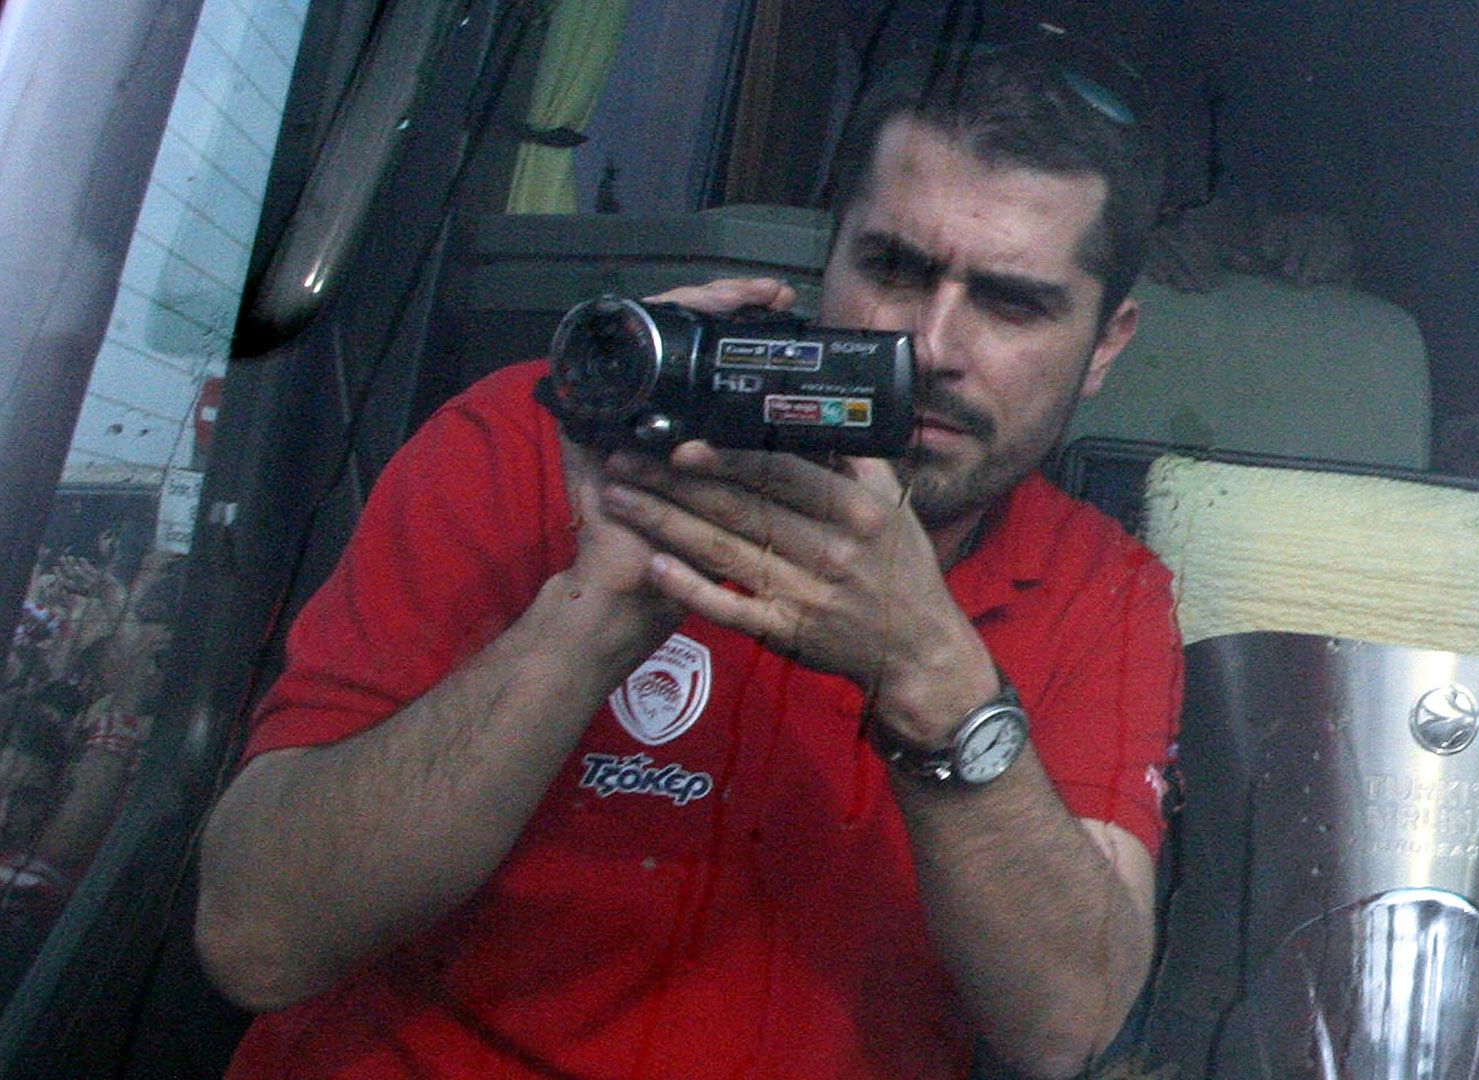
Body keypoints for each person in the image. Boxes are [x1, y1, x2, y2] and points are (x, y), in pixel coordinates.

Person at [193, 37, 1180, 1080]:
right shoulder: (527, 445)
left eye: (1011, 302)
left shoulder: (1102, 592)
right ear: (826, 262)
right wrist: (590, 618)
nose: (933, 346)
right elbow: (256, 937)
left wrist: (929, 674)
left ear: (1107, 343)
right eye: (892, 268)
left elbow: (1070, 1027)